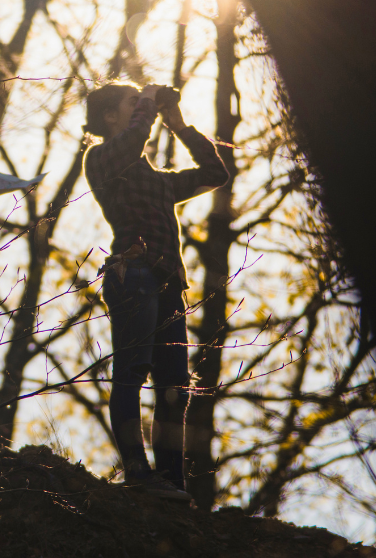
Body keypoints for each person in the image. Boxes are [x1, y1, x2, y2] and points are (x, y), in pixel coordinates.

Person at [83, 82, 228, 500]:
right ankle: (137, 473)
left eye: (142, 105)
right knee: (131, 372)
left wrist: (179, 124)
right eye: (133, 105)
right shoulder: (103, 159)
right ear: (111, 117)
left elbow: (216, 174)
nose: (143, 110)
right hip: (134, 274)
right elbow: (132, 143)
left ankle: (169, 483)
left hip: (168, 283)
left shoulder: (161, 183)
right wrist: (148, 101)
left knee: (174, 386)